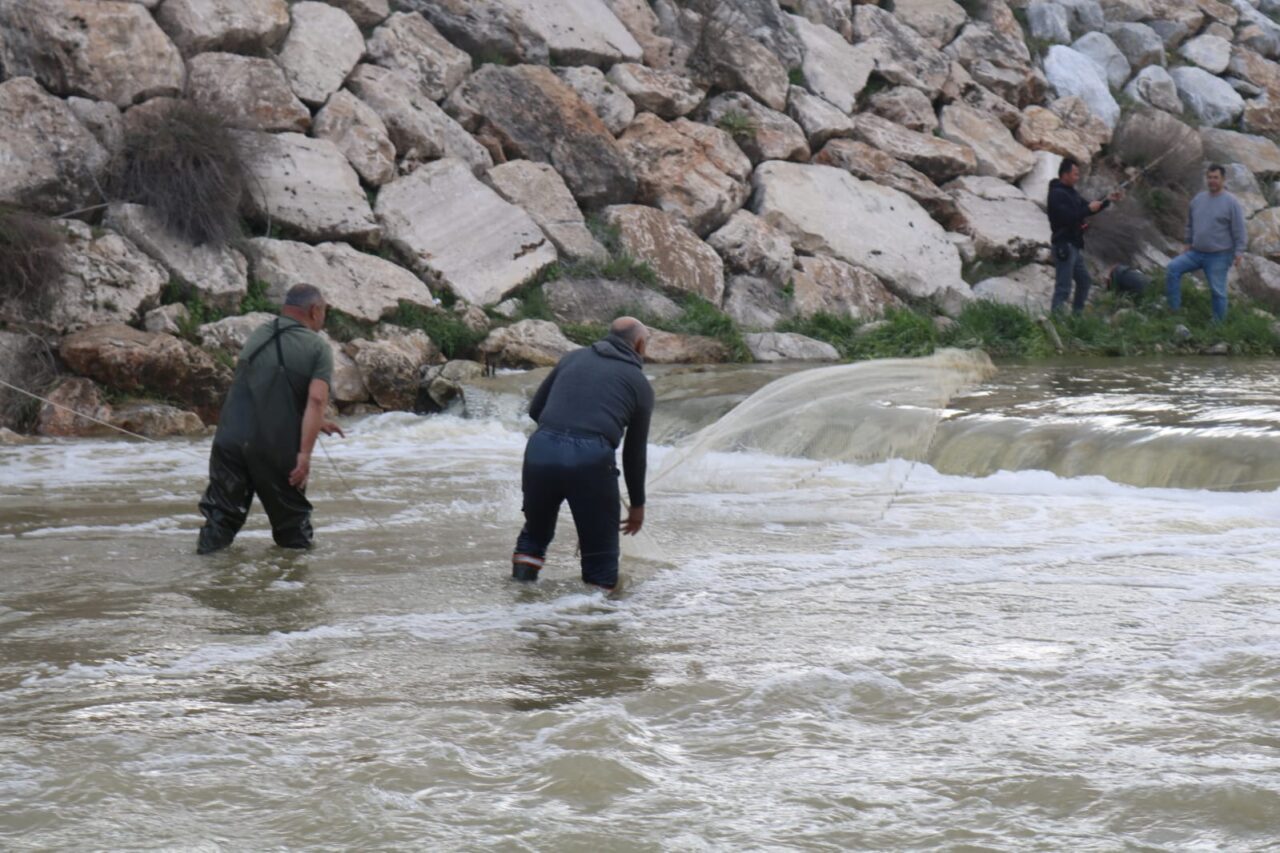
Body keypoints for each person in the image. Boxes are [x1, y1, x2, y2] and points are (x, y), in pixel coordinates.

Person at [197, 283, 344, 554]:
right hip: (274, 448)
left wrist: (316, 423)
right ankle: (292, 590)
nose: (324, 317)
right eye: (324, 311)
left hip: (229, 443)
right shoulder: (317, 347)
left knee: (220, 521)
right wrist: (304, 455)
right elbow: (316, 400)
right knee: (293, 533)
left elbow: (261, 391)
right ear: (314, 310)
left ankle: (208, 583)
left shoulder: (258, 335)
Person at [511, 316, 655, 592]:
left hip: (540, 450)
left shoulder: (572, 358)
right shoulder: (639, 384)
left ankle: (520, 597)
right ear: (638, 344)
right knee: (600, 558)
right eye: (646, 343)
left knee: (535, 534)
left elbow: (535, 410)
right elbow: (634, 454)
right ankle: (595, 626)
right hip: (591, 459)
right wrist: (637, 505)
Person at [1165, 164, 1247, 322]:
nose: (1212, 181)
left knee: (1218, 291)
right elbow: (1190, 223)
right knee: (1173, 269)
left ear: (1223, 179)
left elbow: (1240, 230)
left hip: (1220, 255)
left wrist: (1239, 252)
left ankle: (1218, 325)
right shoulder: (1198, 199)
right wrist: (1188, 241)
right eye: (1209, 177)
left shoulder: (1231, 202)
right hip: (1196, 252)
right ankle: (1173, 311)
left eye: (1216, 177)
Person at [1048, 158, 1123, 314]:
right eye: (1075, 174)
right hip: (1064, 245)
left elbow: (1088, 207)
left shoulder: (1072, 193)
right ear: (1065, 174)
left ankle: (1077, 316)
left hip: (1075, 246)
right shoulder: (1056, 194)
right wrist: (1088, 210)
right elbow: (1067, 218)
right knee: (1064, 287)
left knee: (1084, 281)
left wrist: (1107, 201)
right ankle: (1056, 321)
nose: (1078, 177)